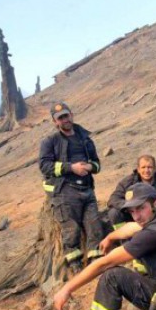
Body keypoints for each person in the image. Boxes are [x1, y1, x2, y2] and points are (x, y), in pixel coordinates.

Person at [39, 102, 104, 273]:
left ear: (71, 115)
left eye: (66, 116)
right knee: (71, 230)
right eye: (60, 118)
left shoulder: (85, 138)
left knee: (94, 227)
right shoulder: (50, 142)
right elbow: (45, 166)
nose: (65, 120)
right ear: (55, 122)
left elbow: (97, 164)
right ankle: (75, 265)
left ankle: (96, 262)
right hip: (65, 191)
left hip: (87, 190)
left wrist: (90, 167)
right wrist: (71, 168)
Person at [107, 154, 156, 231]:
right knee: (114, 213)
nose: (146, 171)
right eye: (143, 167)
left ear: (155, 169)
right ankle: (123, 237)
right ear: (138, 169)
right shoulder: (128, 181)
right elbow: (113, 199)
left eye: (150, 167)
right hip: (135, 215)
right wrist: (130, 206)